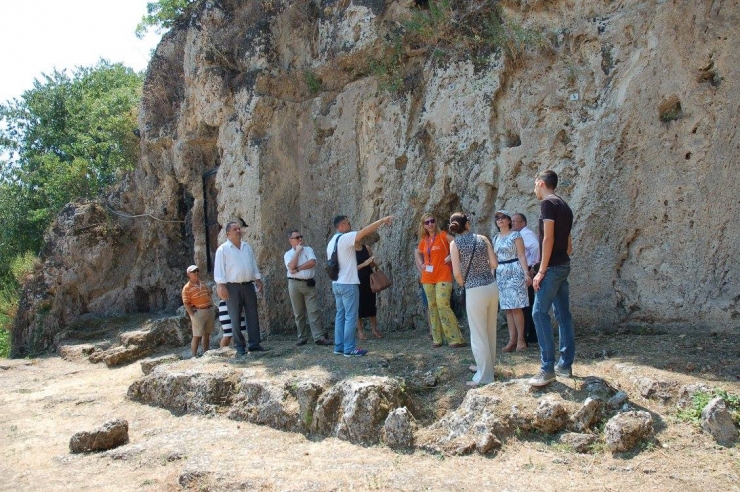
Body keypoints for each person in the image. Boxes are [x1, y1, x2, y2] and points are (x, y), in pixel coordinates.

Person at [528, 170, 575, 387]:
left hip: (553, 267)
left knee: (538, 312)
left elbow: (548, 238)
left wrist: (541, 271)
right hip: (563, 264)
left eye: (535, 185)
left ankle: (547, 368)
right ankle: (565, 365)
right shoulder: (565, 206)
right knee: (563, 315)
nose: (534, 189)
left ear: (541, 183)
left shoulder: (548, 204)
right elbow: (569, 245)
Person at [327, 214, 394, 357]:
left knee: (340, 315)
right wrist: (381, 221)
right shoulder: (344, 238)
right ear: (342, 225)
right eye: (348, 224)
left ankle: (339, 347)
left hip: (337, 284)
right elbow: (365, 232)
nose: (351, 227)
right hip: (348, 284)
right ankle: (349, 348)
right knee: (351, 316)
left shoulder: (332, 241)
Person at [449, 212, 499, 387]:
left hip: (474, 289)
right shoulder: (482, 239)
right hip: (491, 287)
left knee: (478, 333)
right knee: (490, 329)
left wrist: (464, 284)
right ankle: (488, 367)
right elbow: (494, 264)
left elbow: (456, 273)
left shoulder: (455, 244)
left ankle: (484, 376)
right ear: (468, 224)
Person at [214, 221, 266, 356]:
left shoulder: (247, 246)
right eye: (235, 229)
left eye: (239, 228)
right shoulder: (223, 249)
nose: (238, 231)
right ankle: (240, 345)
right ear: (228, 234)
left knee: (252, 314)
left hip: (248, 285)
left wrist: (257, 279)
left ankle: (254, 343)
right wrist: (221, 285)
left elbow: (252, 263)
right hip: (232, 287)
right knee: (235, 317)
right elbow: (219, 269)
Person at [414, 213, 466, 348]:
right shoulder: (424, 240)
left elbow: (458, 244)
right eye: (427, 222)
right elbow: (417, 252)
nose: (430, 224)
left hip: (443, 275)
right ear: (423, 225)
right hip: (427, 278)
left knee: (443, 305)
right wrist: (421, 265)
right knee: (432, 307)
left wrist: (451, 256)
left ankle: (455, 339)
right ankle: (437, 339)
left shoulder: (443, 236)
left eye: (432, 221)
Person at [492, 209, 532, 352]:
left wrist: (526, 273)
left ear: (509, 220)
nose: (500, 220)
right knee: (508, 308)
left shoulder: (515, 235)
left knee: (516, 307)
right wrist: (493, 275)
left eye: (503, 217)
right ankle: (512, 340)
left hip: (515, 270)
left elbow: (522, 255)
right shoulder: (495, 238)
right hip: (501, 272)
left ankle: (521, 340)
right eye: (497, 218)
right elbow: (494, 259)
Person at [284, 230, 332, 346]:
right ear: (291, 240)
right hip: (294, 284)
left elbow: (312, 262)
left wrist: (299, 268)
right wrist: (297, 252)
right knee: (298, 312)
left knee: (313, 310)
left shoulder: (309, 250)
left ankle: (318, 337)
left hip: (308, 283)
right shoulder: (288, 254)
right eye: (297, 237)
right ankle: (302, 337)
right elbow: (291, 267)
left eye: (301, 236)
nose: (300, 239)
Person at [512, 212, 540, 345]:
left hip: (527, 270)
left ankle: (530, 334)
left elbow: (535, 246)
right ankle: (531, 334)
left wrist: (533, 265)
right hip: (526, 270)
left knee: (526, 305)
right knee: (527, 304)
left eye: (515, 221)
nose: (512, 223)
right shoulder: (521, 234)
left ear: (523, 223)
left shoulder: (525, 234)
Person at [181, 265, 215, 358]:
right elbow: (186, 303)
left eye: (197, 271)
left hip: (208, 310)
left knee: (207, 334)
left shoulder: (202, 283)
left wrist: (211, 306)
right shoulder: (186, 288)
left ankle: (206, 353)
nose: (196, 273)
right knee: (197, 335)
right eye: (193, 271)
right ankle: (193, 356)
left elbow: (208, 294)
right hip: (198, 312)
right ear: (188, 274)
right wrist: (192, 315)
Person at [355, 241, 383, 340]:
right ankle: (360, 331)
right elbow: (350, 268)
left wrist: (372, 262)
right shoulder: (350, 250)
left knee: (371, 303)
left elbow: (371, 264)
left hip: (369, 278)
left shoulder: (366, 247)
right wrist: (364, 264)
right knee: (359, 305)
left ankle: (374, 329)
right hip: (357, 280)